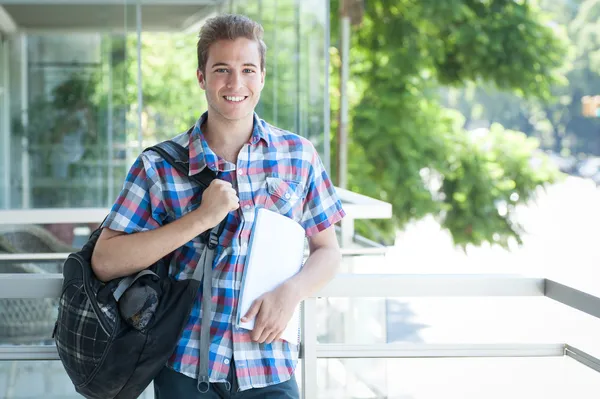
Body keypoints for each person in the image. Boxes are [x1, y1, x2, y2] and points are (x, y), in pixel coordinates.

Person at [91, 13, 345, 398]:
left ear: (262, 76)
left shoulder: (299, 156)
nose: (235, 83)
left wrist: (291, 293)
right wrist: (201, 219)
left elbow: (328, 252)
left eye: (247, 69)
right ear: (201, 77)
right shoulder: (158, 165)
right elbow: (105, 260)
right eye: (222, 69)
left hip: (269, 367)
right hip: (184, 369)